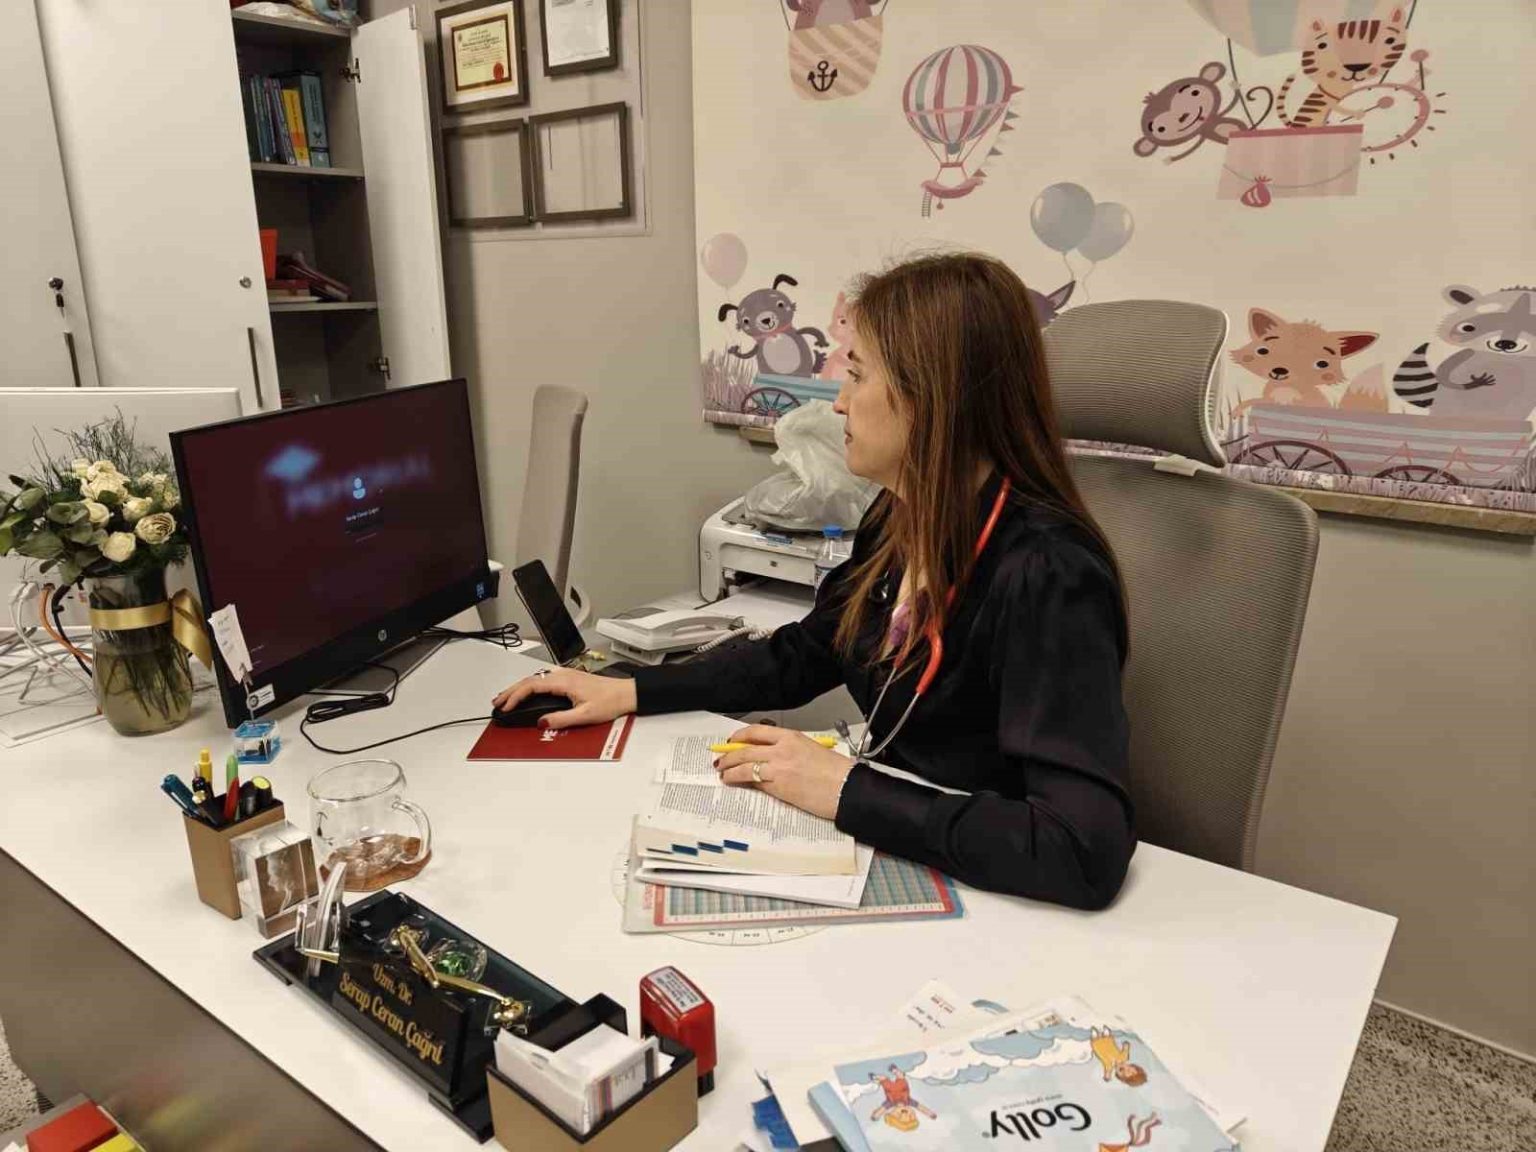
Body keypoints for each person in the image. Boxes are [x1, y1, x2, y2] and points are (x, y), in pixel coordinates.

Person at [494, 252, 1134, 909]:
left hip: (1000, 900)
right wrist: (630, 689)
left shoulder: (1049, 572)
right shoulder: (898, 517)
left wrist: (845, 789)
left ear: (932, 397)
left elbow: (1080, 851)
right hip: (908, 848)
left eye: (857, 374)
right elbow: (806, 654)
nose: (839, 402)